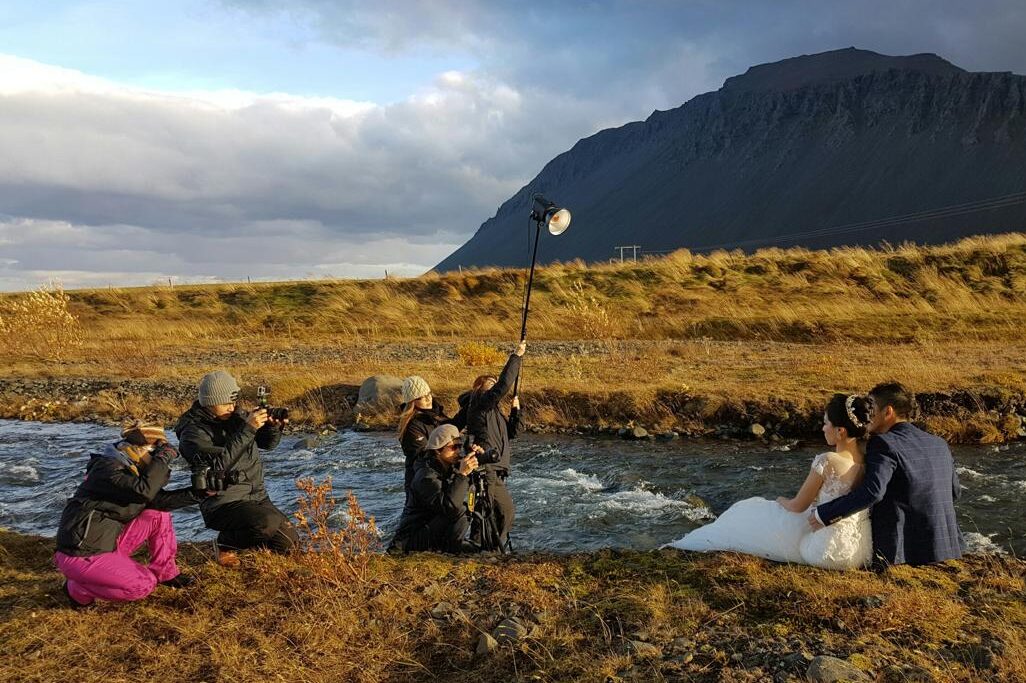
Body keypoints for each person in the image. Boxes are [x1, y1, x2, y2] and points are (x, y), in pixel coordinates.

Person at [667, 394, 873, 570]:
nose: (822, 428)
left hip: (824, 552)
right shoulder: (868, 461)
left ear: (841, 431)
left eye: (826, 423)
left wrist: (780, 499)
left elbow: (797, 505)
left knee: (752, 511)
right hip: (859, 552)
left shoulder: (827, 460)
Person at [810, 382, 963, 568]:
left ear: (888, 412)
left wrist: (824, 514)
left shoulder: (884, 443)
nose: (867, 414)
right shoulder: (938, 442)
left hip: (904, 551)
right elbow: (954, 492)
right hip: (947, 546)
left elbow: (873, 492)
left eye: (872, 407)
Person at [54, 422, 201, 607]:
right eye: (153, 452)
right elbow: (145, 491)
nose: (155, 458)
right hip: (79, 554)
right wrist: (163, 458)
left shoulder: (130, 468)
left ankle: (166, 572)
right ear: (137, 449)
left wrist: (201, 493)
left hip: (107, 541)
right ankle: (77, 589)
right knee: (143, 585)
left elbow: (158, 501)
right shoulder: (107, 469)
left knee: (158, 515)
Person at [175, 370, 298, 566]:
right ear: (209, 402)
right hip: (222, 502)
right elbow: (219, 465)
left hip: (256, 495)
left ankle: (250, 543)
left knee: (289, 543)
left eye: (233, 402)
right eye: (226, 403)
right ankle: (226, 544)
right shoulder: (193, 433)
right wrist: (248, 429)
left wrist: (272, 428)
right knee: (267, 523)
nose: (232, 407)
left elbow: (268, 444)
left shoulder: (235, 416)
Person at [452, 341, 525, 550]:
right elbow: (503, 385)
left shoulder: (492, 412)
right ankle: (491, 549)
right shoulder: (479, 402)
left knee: (486, 513)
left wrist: (516, 412)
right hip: (487, 467)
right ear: (479, 387)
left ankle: (479, 547)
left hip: (496, 468)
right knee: (505, 511)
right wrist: (516, 356)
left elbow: (513, 433)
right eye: (489, 383)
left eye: (494, 382)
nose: (494, 385)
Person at [390, 424, 482, 553]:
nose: (458, 452)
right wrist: (462, 475)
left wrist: (476, 459)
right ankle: (450, 552)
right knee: (461, 510)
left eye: (460, 446)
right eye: (454, 447)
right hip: (409, 541)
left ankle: (452, 548)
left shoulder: (447, 467)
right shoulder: (426, 476)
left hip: (429, 529)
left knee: (475, 546)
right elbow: (450, 506)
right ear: (438, 450)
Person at [397, 375, 452, 495]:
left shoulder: (439, 416)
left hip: (441, 477)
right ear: (413, 402)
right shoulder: (411, 426)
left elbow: (454, 429)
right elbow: (423, 454)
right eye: (422, 397)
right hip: (422, 483)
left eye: (429, 394)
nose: (428, 399)